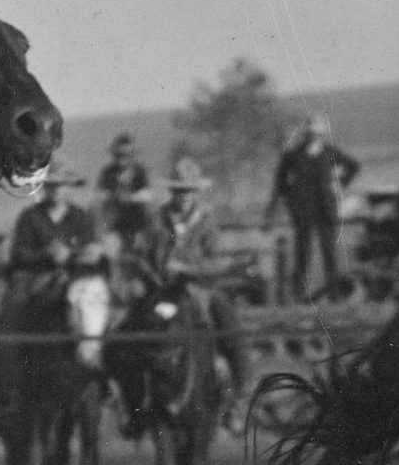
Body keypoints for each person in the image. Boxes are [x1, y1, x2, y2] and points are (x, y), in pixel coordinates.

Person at [127, 165, 247, 393]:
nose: (183, 196)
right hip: (161, 288)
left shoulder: (206, 222)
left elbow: (215, 261)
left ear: (196, 193)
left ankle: (240, 392)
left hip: (199, 289)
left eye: (188, 190)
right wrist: (151, 273)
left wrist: (188, 269)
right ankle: (129, 394)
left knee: (230, 328)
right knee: (130, 326)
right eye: (179, 190)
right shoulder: (157, 219)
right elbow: (141, 254)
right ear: (172, 193)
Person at [269, 115, 358, 300]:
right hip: (303, 210)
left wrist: (340, 183)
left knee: (329, 253)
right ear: (305, 134)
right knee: (302, 254)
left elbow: (353, 166)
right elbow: (280, 181)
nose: (314, 137)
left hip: (326, 209)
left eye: (318, 134)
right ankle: (298, 294)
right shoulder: (293, 155)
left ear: (322, 135)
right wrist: (289, 199)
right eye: (311, 133)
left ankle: (335, 294)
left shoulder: (329, 151)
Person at [4, 165, 97, 305]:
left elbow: (90, 250)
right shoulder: (30, 216)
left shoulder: (81, 216)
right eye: (51, 185)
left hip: (72, 276)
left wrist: (70, 254)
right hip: (35, 275)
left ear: (70, 188)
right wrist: (46, 253)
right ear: (44, 187)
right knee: (18, 300)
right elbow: (19, 253)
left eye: (61, 185)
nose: (56, 190)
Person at [95, 133, 153, 248]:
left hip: (136, 218)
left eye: (126, 155)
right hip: (114, 219)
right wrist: (114, 196)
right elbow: (99, 193)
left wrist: (131, 198)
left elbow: (148, 194)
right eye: (119, 155)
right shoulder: (108, 172)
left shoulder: (139, 171)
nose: (122, 158)